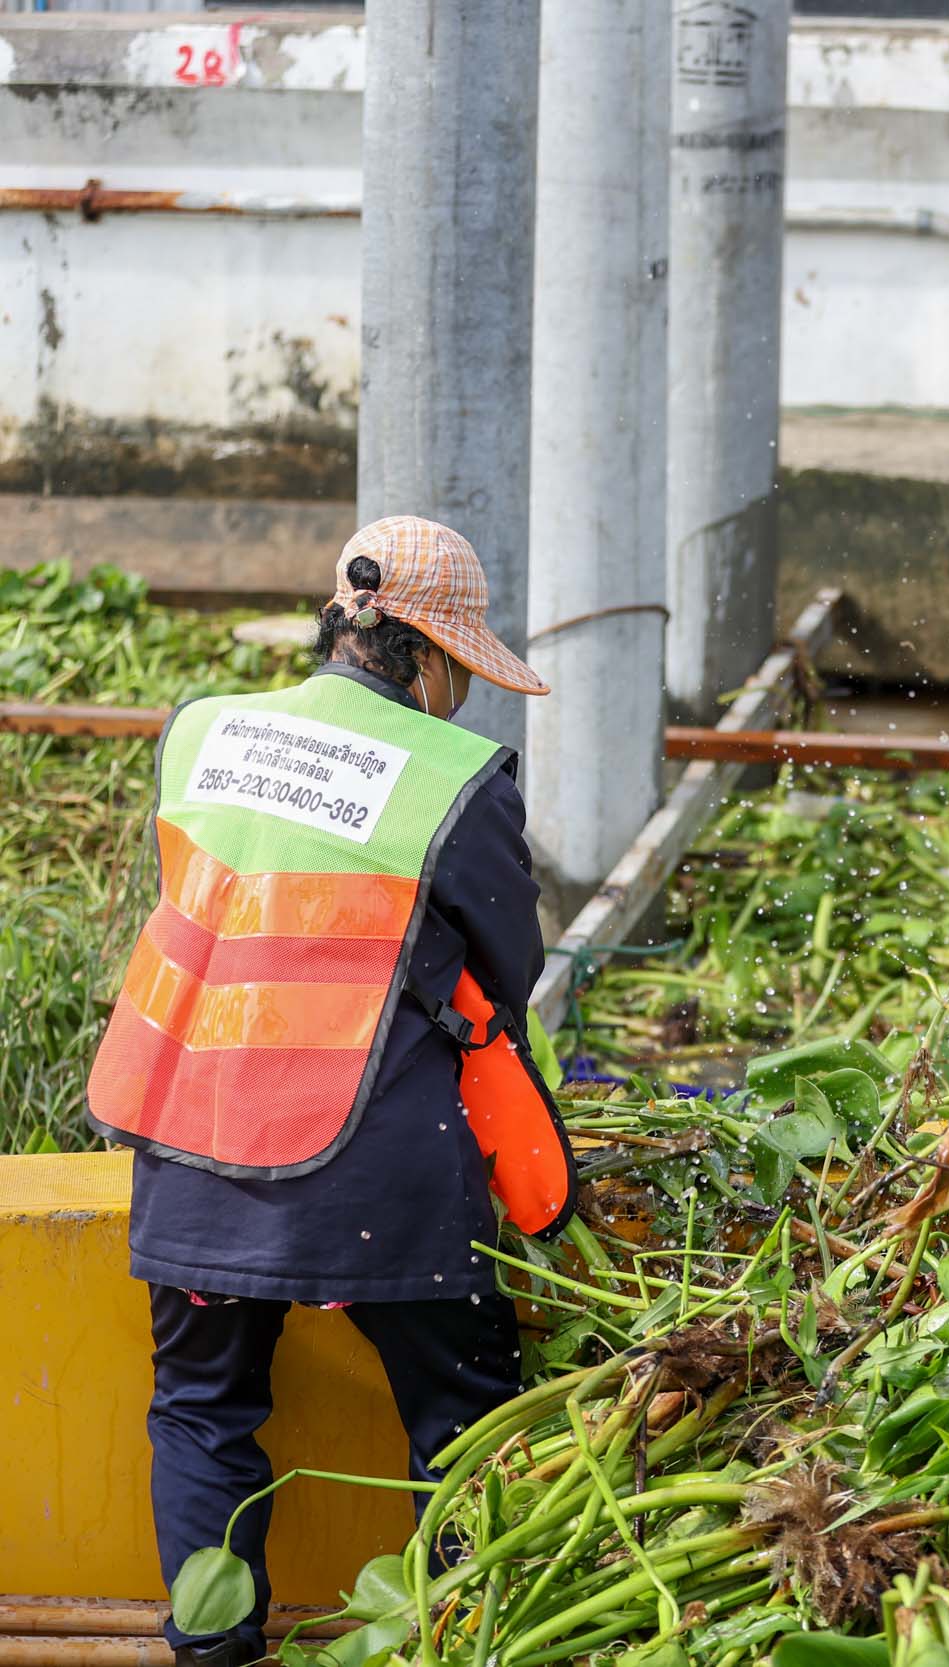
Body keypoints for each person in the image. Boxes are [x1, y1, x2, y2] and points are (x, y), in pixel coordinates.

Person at [86, 517, 578, 1667]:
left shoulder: (201, 730)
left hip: (194, 1140)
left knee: (203, 1409)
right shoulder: (457, 775)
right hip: (376, 1167)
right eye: (462, 666)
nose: (463, 692)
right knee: (466, 1414)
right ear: (430, 652)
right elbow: (507, 974)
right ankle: (459, 1640)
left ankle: (213, 1651)